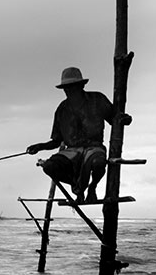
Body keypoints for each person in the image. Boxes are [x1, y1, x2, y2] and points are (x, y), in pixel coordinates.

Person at [26, 66, 130, 203]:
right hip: (72, 151)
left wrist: (124, 118)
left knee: (98, 162)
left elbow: (114, 119)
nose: (69, 91)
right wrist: (39, 146)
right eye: (66, 88)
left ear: (81, 86)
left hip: (94, 148)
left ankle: (92, 187)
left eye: (72, 87)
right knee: (50, 167)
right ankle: (78, 185)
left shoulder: (97, 100)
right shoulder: (62, 109)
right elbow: (56, 141)